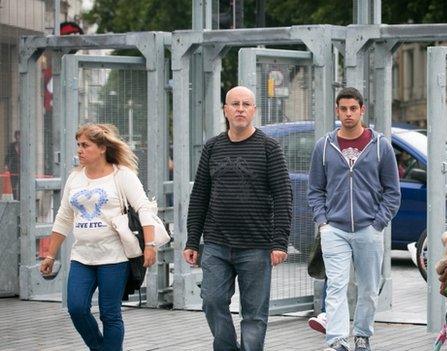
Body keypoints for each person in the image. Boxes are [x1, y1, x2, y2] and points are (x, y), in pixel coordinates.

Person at [183, 86, 293, 351]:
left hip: (256, 247)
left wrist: (279, 243)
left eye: (246, 104)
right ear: (225, 110)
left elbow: (283, 196)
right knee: (211, 301)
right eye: (234, 104)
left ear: (254, 110)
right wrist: (192, 240)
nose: (240, 109)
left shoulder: (269, 147)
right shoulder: (213, 147)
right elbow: (200, 195)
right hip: (216, 244)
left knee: (254, 316)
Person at [39, 123, 157, 351]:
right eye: (78, 145)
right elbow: (64, 218)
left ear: (102, 147)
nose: (79, 150)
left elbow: (144, 208)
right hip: (82, 256)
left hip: (114, 257)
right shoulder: (75, 178)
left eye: (85, 145)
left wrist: (150, 244)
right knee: (77, 308)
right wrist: (50, 255)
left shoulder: (122, 175)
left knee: (109, 313)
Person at [308, 87, 401, 351]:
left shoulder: (380, 146)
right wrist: (322, 222)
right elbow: (315, 189)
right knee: (336, 286)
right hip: (334, 229)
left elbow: (393, 191)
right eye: (343, 109)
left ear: (362, 110)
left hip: (369, 228)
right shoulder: (324, 147)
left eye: (353, 109)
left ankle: (362, 335)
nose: (348, 114)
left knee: (369, 289)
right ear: (337, 111)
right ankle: (337, 339)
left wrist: (378, 223)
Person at [4, 130, 20, 199]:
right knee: (13, 185)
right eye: (17, 136)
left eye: (19, 135)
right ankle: (15, 199)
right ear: (15, 137)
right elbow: (8, 156)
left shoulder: (25, 145)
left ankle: (21, 199)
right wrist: (6, 165)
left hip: (22, 169)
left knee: (21, 185)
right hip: (14, 168)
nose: (18, 137)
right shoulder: (11, 146)